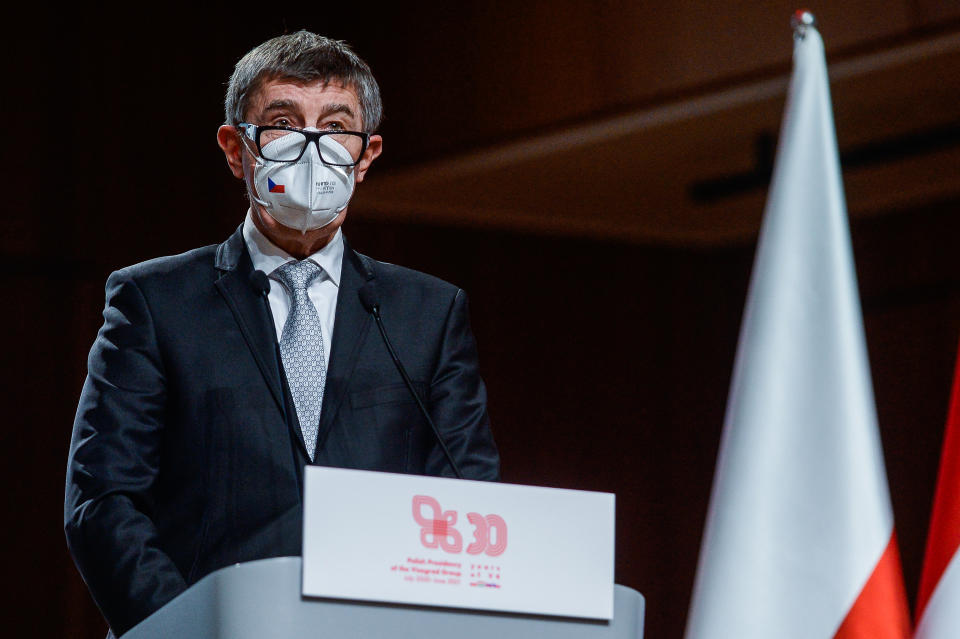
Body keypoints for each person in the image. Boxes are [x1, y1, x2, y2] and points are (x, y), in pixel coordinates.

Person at [64, 31, 500, 637]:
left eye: (336, 127)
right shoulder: (155, 302)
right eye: (284, 124)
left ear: (366, 155)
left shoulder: (426, 313)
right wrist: (193, 630)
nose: (312, 150)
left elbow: (468, 501)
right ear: (236, 149)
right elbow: (103, 502)